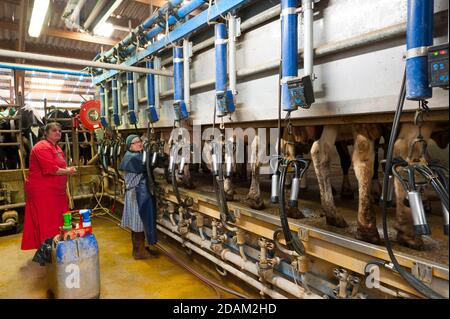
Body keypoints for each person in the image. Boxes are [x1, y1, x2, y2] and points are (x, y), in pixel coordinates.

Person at [21, 122, 77, 250]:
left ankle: (57, 247)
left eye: (59, 131)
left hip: (56, 193)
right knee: (47, 222)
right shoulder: (42, 147)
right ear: (46, 133)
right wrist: (68, 171)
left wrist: (67, 170)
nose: (58, 132)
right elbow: (50, 169)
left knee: (58, 220)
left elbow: (59, 166)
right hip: (44, 193)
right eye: (54, 130)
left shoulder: (56, 147)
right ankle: (47, 251)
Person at [119, 134, 158, 259]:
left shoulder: (132, 155)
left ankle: (137, 248)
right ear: (130, 146)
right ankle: (139, 252)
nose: (139, 144)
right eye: (135, 143)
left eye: (139, 141)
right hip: (136, 194)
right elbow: (147, 164)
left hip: (135, 193)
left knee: (137, 223)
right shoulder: (133, 158)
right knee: (138, 223)